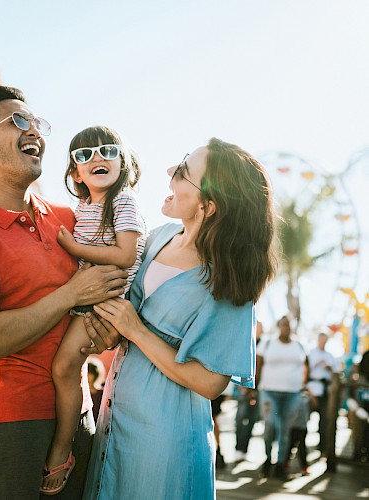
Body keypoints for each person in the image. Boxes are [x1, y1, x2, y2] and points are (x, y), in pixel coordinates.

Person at [0, 86, 126, 499]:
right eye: (19, 121)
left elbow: (101, 294)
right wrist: (70, 294)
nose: (34, 131)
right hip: (9, 423)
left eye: (37, 123)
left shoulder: (66, 219)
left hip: (78, 417)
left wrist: (103, 329)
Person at [82, 138, 278, 499]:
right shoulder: (157, 237)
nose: (170, 171)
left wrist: (136, 330)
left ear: (210, 204)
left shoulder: (228, 280)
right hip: (115, 419)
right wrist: (112, 331)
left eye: (184, 172)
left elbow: (210, 383)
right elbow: (123, 321)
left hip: (165, 438)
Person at [40, 126, 146, 495]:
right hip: (90, 297)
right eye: (83, 156)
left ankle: (61, 451)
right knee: (65, 365)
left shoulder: (123, 202)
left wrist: (73, 247)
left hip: (107, 299)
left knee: (64, 366)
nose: (96, 158)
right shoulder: (86, 207)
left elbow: (125, 255)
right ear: (75, 174)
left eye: (106, 150)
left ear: (123, 160)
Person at [256, 315, 309, 479]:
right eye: (284, 324)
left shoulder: (299, 345)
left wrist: (302, 385)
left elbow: (306, 366)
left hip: (292, 393)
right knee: (270, 424)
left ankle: (280, 465)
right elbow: (257, 364)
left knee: (285, 430)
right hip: (269, 391)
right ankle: (267, 459)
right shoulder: (267, 343)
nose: (286, 327)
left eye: (289, 324)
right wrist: (252, 388)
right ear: (279, 326)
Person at [234, 320, 263, 462]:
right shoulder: (244, 343)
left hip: (258, 389)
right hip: (243, 388)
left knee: (252, 420)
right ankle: (237, 449)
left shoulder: (263, 345)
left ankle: (244, 450)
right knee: (240, 418)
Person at [307, 328, 338, 454]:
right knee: (305, 418)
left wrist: (329, 367)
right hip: (312, 388)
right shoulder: (311, 354)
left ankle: (323, 447)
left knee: (324, 419)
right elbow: (306, 370)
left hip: (324, 390)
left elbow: (335, 373)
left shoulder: (330, 356)